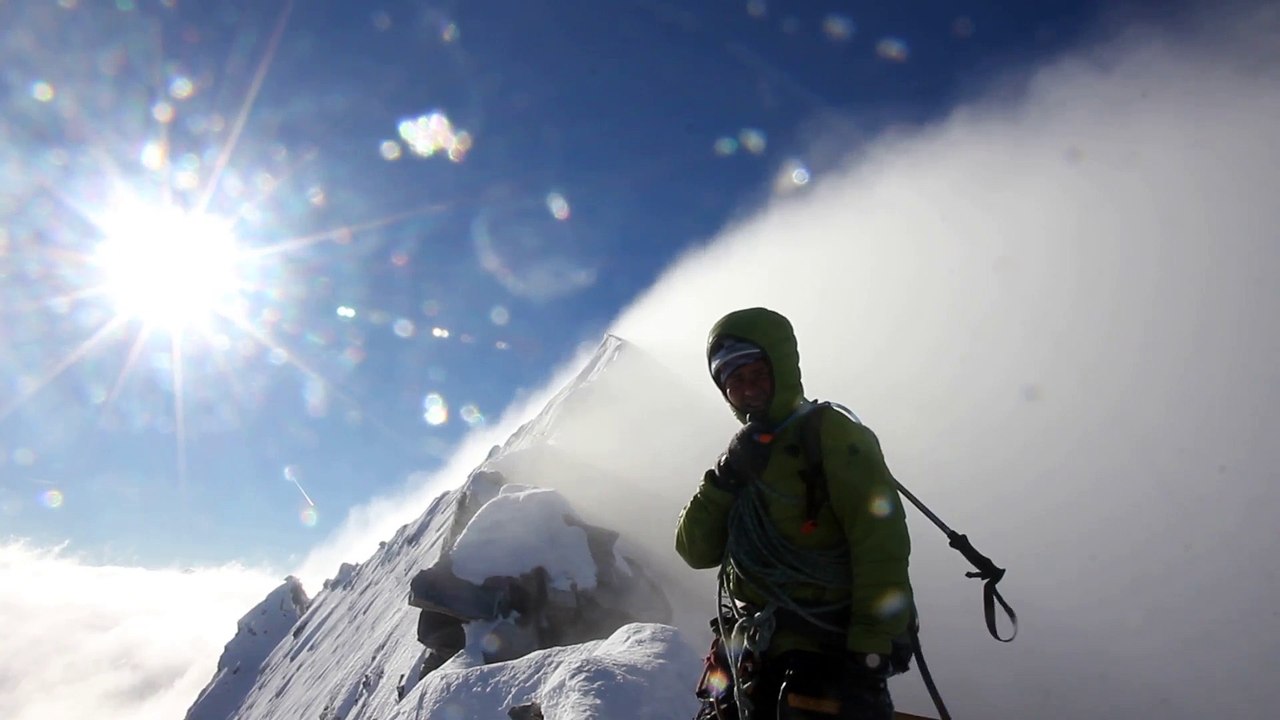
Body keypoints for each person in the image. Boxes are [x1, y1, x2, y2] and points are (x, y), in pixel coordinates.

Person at [676, 307, 912, 720]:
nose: (748, 391)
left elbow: (880, 542)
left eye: (756, 375)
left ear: (780, 368)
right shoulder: (741, 457)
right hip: (750, 648)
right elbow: (695, 551)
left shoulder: (832, 434)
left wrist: (870, 651)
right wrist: (723, 480)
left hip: (821, 648)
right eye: (734, 384)